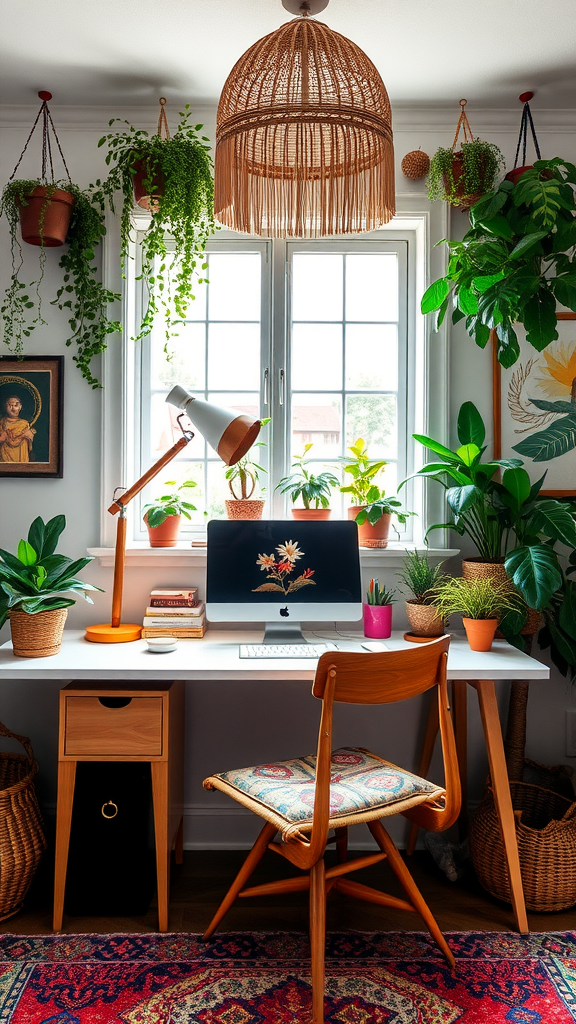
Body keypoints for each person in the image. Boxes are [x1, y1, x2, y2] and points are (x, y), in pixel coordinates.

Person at [0, 394, 36, 462]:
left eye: (16, 405)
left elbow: (30, 447)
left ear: (20, 406)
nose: (13, 409)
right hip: (4, 459)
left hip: (21, 458)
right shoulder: (2, 423)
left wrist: (29, 436)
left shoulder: (24, 424)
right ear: (5, 406)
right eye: (10, 405)